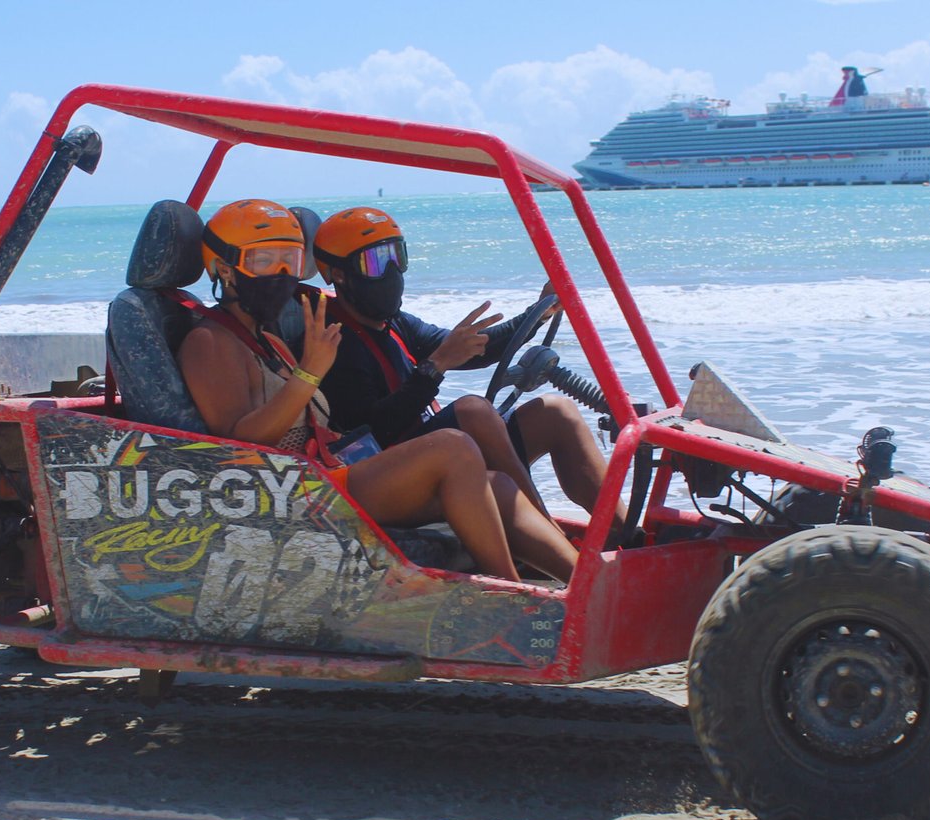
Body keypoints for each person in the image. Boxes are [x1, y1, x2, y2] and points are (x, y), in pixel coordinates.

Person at [175, 199, 578, 584]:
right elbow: (239, 444)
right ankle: (510, 599)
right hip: (290, 496)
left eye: (291, 260)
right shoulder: (210, 342)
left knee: (498, 485)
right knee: (454, 443)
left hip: (320, 473)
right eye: (263, 261)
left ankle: (580, 586)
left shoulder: (264, 337)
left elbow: (475, 349)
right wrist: (309, 376)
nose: (282, 273)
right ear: (224, 270)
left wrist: (536, 311)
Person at [304, 207, 624, 533]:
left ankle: (626, 533)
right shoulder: (332, 337)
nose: (390, 272)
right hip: (391, 475)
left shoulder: (394, 323)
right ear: (339, 275)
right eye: (374, 262)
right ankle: (548, 530)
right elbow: (375, 431)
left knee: (556, 412)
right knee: (473, 410)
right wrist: (435, 366)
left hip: (434, 450)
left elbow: (476, 348)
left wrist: (538, 313)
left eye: (395, 257)